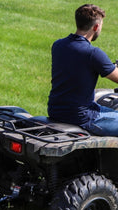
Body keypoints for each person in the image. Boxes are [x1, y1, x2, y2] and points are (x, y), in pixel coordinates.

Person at [48, 4, 118, 136]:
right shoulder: (93, 53)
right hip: (82, 117)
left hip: (56, 111)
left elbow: (78, 65)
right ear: (96, 27)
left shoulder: (58, 45)